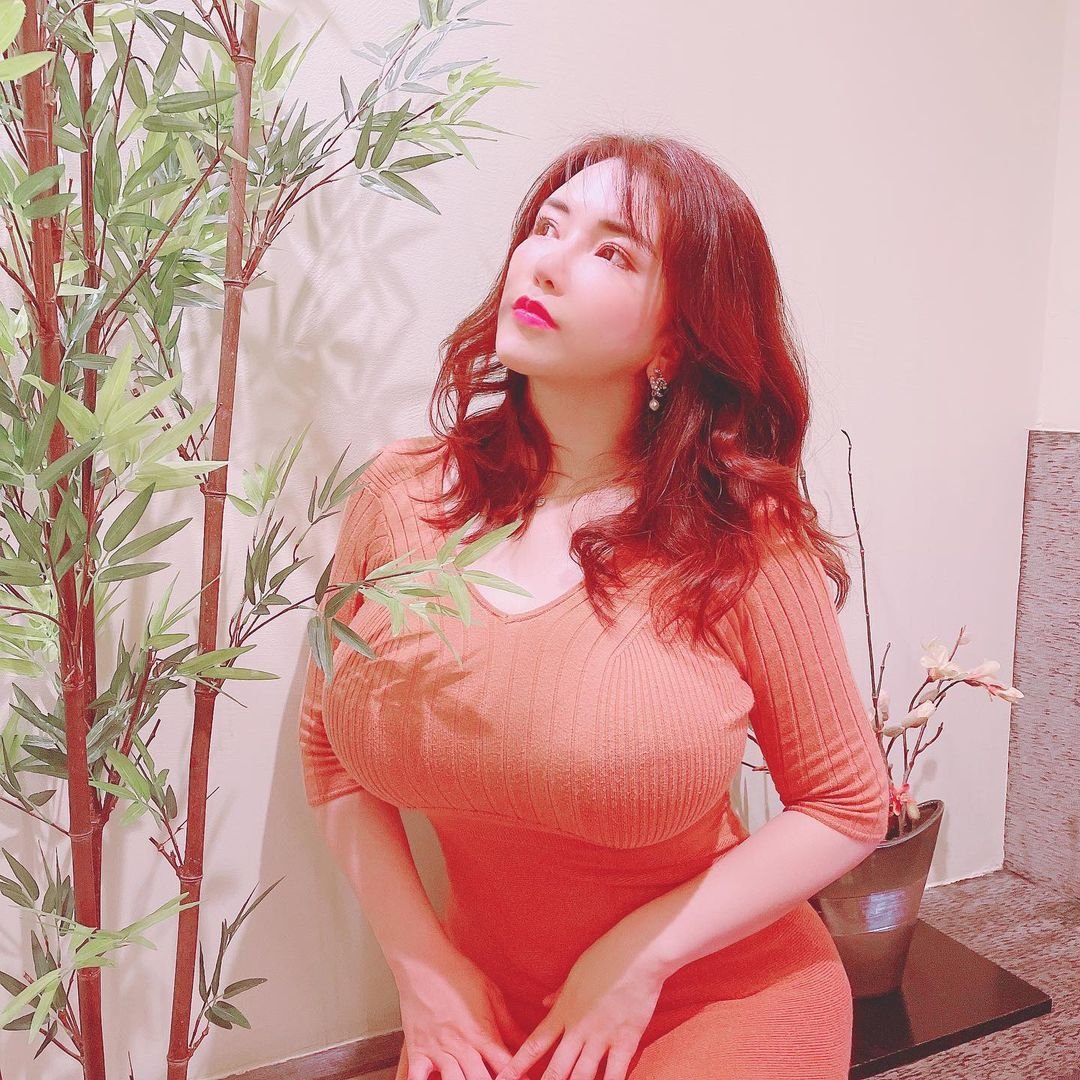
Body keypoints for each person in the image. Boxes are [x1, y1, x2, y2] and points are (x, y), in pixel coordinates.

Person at [298, 132, 890, 1080]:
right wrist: (423, 972)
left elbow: (847, 803)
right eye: (546, 227)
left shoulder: (739, 536)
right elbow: (330, 754)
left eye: (613, 251)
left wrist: (640, 956)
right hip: (480, 1008)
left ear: (676, 339)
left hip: (714, 991)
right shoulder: (401, 496)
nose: (546, 262)